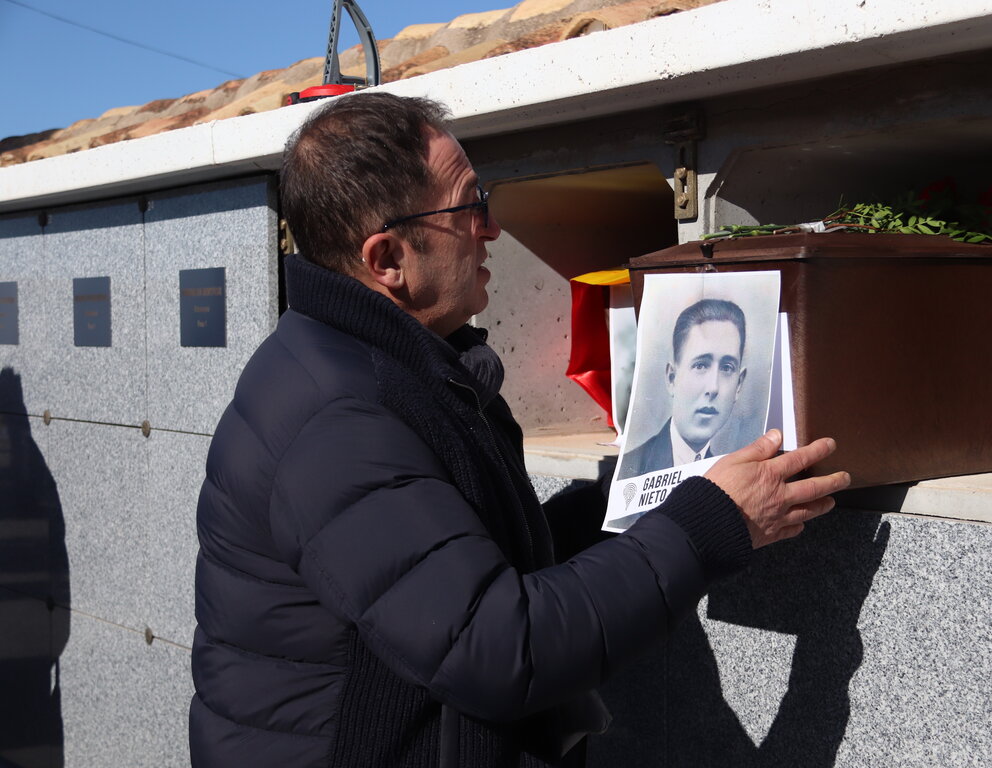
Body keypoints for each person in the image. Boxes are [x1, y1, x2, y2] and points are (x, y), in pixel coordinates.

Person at [188, 92, 850, 768]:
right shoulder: (335, 420)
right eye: (468, 205)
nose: (493, 228)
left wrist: (635, 494)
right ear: (388, 260)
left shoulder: (393, 363)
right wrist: (711, 525)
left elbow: (458, 569)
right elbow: (496, 645)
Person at [617, 299, 747, 479]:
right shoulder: (632, 468)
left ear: (739, 384)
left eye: (726, 368)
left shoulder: (734, 474)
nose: (713, 387)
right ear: (672, 378)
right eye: (701, 366)